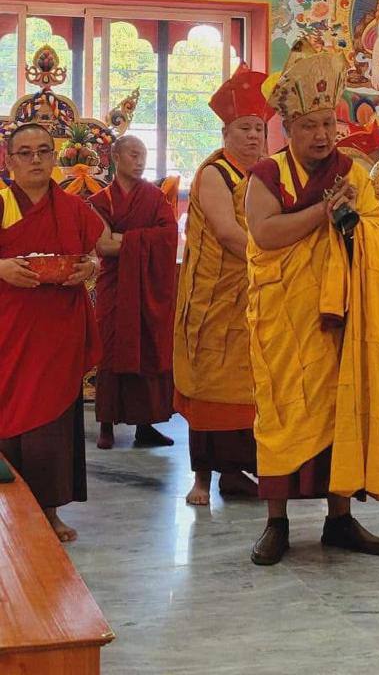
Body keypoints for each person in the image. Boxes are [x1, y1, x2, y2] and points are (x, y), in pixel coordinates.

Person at [245, 38, 379, 565]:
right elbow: (264, 235)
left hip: (339, 319)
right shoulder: (268, 175)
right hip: (285, 316)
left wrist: (357, 228)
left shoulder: (352, 173)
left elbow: (374, 229)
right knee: (283, 413)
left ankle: (340, 519)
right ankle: (276, 523)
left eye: (329, 124)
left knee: (340, 410)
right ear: (290, 129)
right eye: (311, 125)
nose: (324, 135)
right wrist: (322, 216)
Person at [173, 63, 275, 505]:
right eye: (244, 128)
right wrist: (277, 257)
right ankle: (202, 480)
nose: (254, 136)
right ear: (226, 133)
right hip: (213, 298)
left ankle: (236, 475)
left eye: (259, 128)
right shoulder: (215, 173)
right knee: (210, 385)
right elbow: (229, 233)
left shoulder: (266, 174)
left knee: (248, 387)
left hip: (253, 296)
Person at [0, 122, 102, 542]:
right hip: (10, 327)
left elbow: (94, 254)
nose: (37, 159)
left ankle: (50, 510)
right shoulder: (2, 203)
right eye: (26, 152)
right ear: (9, 161)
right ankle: (9, 510)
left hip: (58, 329)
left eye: (44, 150)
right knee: (10, 415)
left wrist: (89, 269)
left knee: (54, 421)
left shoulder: (72, 207)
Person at [90, 135, 178, 449]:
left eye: (143, 155)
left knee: (147, 348)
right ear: (115, 157)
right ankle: (106, 425)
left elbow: (169, 236)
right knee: (112, 350)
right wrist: (138, 239)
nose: (139, 161)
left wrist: (122, 237)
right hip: (115, 287)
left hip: (147, 286)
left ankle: (146, 426)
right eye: (132, 154)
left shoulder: (155, 198)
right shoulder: (102, 199)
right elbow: (102, 245)